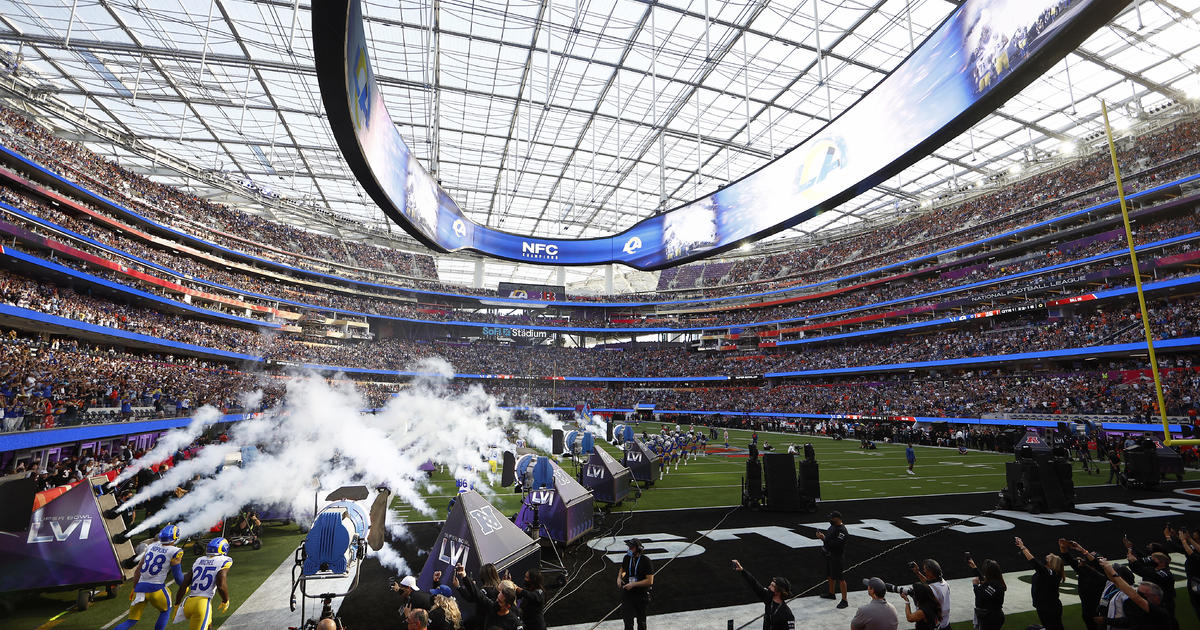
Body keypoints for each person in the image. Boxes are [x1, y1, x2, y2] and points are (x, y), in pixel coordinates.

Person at [114, 524, 186, 630]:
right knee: (165, 611)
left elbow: (138, 570)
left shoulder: (151, 546)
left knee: (131, 620)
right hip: (156, 589)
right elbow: (178, 577)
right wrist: (186, 586)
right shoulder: (176, 551)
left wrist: (134, 587)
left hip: (140, 588)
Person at [173, 537, 232, 630]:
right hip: (202, 604)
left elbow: (184, 583)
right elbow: (220, 583)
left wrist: (177, 603)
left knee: (208, 625)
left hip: (188, 602)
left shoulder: (199, 560)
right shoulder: (224, 560)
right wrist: (225, 600)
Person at [1098, 558, 1173, 630]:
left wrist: (1112, 571)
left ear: (1156, 597)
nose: (1139, 594)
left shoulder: (1159, 611)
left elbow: (1135, 596)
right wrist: (1107, 568)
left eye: (1143, 593)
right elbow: (1115, 581)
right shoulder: (1143, 607)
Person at [730, 559, 795, 630]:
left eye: (772, 586)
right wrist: (742, 570)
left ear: (779, 591)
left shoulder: (787, 614)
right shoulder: (768, 598)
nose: (769, 587)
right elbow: (754, 584)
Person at [1016, 536, 1065, 630]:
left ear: (1051, 563)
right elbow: (1035, 561)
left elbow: (1034, 562)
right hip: (1045, 605)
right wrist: (1023, 548)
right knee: (1053, 627)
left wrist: (1022, 547)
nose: (1046, 557)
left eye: (1048, 558)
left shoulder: (1049, 574)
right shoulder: (1049, 572)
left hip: (1049, 607)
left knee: (1054, 627)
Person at [456, 564, 522, 630]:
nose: (496, 602)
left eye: (500, 601)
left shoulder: (515, 623)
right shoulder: (492, 607)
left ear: (508, 606)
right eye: (497, 599)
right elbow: (477, 594)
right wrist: (464, 575)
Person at [617, 538, 654, 630]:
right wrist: (619, 577)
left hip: (641, 594)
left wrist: (633, 584)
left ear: (638, 549)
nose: (629, 549)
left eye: (631, 548)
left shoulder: (645, 561)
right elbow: (623, 569)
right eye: (629, 547)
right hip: (628, 594)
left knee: (641, 621)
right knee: (628, 622)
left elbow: (650, 581)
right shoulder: (627, 558)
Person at [815, 511, 849, 608]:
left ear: (838, 518)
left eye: (832, 518)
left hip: (837, 557)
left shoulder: (842, 531)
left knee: (840, 578)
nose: (830, 520)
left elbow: (837, 545)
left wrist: (823, 538)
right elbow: (829, 539)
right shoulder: (832, 527)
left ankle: (844, 600)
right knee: (830, 575)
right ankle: (831, 593)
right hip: (830, 555)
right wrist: (824, 538)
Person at [910, 559, 950, 630]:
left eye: (925, 569)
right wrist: (917, 572)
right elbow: (929, 583)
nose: (924, 571)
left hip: (937, 626)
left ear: (930, 572)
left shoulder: (933, 590)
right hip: (946, 624)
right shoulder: (944, 582)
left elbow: (922, 599)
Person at [967, 556, 1005, 630]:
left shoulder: (994, 585)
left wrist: (975, 585)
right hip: (994, 617)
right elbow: (984, 580)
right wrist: (974, 567)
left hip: (991, 619)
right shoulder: (996, 581)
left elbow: (980, 596)